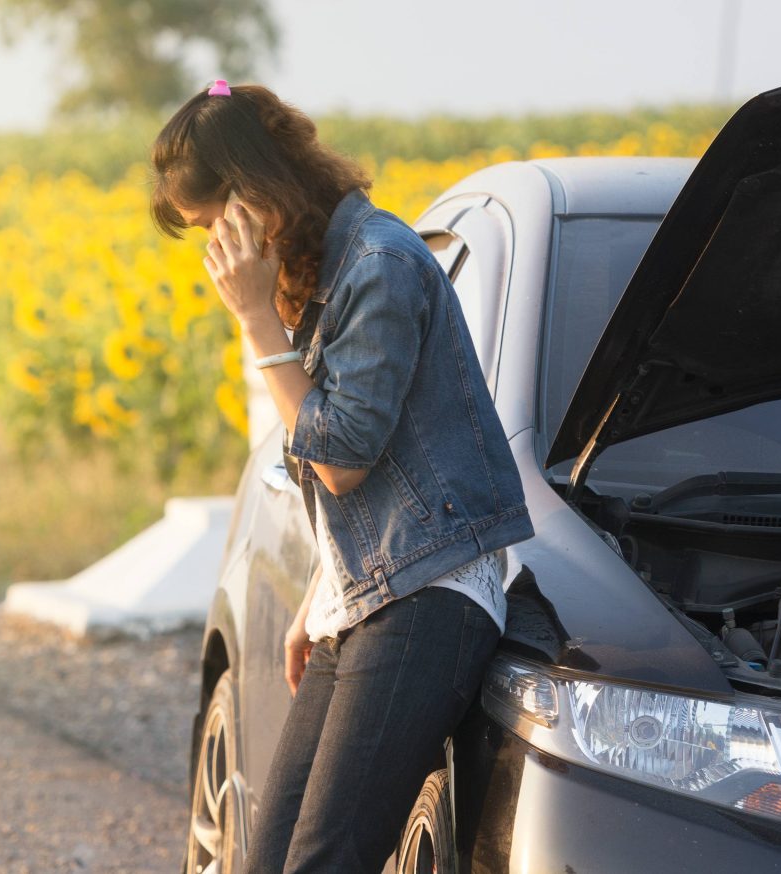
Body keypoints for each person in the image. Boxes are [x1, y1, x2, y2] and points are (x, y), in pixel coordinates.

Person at [149, 79, 535, 873]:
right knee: (271, 855)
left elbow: (343, 457)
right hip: (367, 594)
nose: (217, 245)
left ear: (254, 189)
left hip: (430, 598)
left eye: (213, 221)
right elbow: (354, 479)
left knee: (324, 860)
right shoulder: (325, 271)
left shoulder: (380, 264)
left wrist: (257, 321)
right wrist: (321, 598)